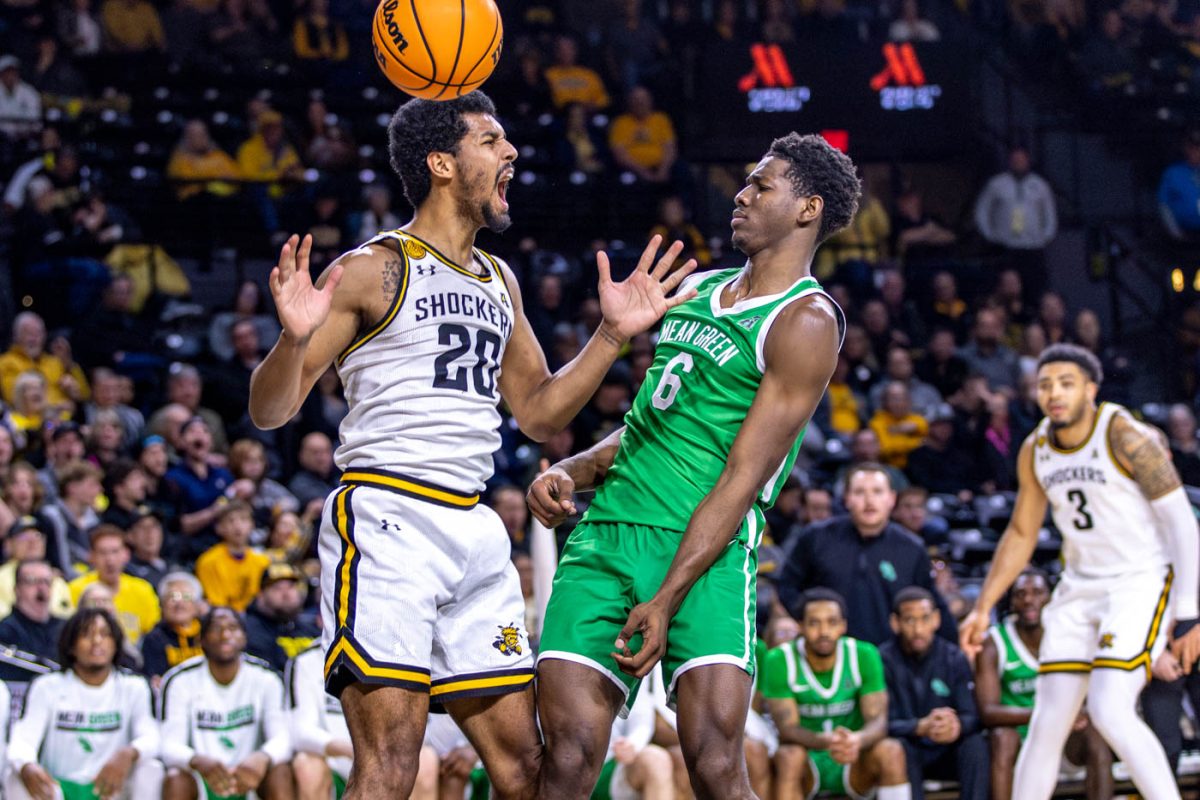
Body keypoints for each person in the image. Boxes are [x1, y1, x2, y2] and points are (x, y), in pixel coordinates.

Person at [247, 90, 695, 799]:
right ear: (441, 163)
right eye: (491, 141)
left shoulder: (499, 279)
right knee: (392, 766)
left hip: (476, 527)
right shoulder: (374, 268)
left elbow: (541, 413)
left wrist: (610, 338)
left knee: (526, 770)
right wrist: (292, 339)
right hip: (389, 516)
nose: (510, 151)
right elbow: (272, 410)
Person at [528, 132, 857, 799]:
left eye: (761, 184)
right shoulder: (698, 289)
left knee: (712, 763)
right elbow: (645, 427)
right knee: (566, 756)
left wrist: (667, 596)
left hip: (705, 554)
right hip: (608, 536)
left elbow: (743, 476)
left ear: (807, 209)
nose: (741, 194)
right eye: (746, 181)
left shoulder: (806, 320)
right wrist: (570, 470)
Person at [960, 343, 1200, 800]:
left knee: (1110, 710)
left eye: (1066, 383)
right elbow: (1020, 533)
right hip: (1078, 587)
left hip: (1138, 581)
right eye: (1046, 384)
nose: (1054, 393)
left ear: (1090, 389)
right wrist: (982, 607)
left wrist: (1187, 613)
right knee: (1047, 721)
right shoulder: (1035, 449)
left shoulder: (1126, 436)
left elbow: (1182, 522)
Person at [777, 465, 957, 646]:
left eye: (877, 492)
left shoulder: (912, 548)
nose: (869, 500)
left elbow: (932, 603)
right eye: (860, 492)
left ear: (891, 499)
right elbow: (787, 586)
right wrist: (808, 621)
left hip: (890, 660)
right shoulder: (815, 537)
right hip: (828, 653)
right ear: (847, 499)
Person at [975, 568, 1112, 800]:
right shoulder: (994, 643)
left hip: (1064, 741)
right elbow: (988, 712)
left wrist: (1075, 715)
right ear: (1012, 601)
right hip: (1020, 742)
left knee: (1096, 734)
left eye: (1037, 592)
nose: (1029, 599)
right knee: (1002, 737)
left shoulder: (1069, 636)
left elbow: (1091, 693)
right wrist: (1048, 714)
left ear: (1051, 597)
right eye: (1021, 594)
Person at [762, 589, 912, 800]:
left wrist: (856, 740)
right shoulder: (778, 659)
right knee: (788, 756)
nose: (824, 631)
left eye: (832, 622)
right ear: (801, 626)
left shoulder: (864, 654)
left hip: (853, 757)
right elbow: (787, 729)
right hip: (808, 760)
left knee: (891, 750)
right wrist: (828, 741)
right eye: (814, 623)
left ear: (843, 625)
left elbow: (878, 722)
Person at [6, 607, 162, 800]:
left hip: (112, 789)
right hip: (58, 789)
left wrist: (129, 753)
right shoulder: (47, 686)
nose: (97, 641)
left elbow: (151, 736)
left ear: (115, 644)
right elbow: (23, 739)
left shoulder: (134, 686)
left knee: (151, 769)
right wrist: (26, 765)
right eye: (86, 634)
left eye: (105, 634)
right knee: (16, 774)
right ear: (71, 645)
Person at [160, 607, 293, 800]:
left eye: (233, 627)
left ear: (245, 637)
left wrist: (262, 758)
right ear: (202, 640)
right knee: (175, 777)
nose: (225, 634)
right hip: (202, 776)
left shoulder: (266, 678)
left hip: (250, 775)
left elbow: (283, 738)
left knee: (280, 771)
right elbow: (169, 745)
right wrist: (196, 761)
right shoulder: (179, 680)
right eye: (216, 628)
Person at [882, 587, 987, 800]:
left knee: (975, 744)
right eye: (910, 620)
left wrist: (954, 726)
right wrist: (920, 727)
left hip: (945, 752)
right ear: (896, 623)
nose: (918, 629)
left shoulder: (953, 657)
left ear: (936, 619)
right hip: (907, 754)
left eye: (924, 619)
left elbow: (972, 716)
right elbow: (881, 723)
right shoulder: (881, 659)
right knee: (898, 747)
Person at [67, 525, 160, 646]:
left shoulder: (143, 589)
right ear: (91, 557)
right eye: (103, 553)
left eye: (115, 552)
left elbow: (154, 634)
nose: (110, 560)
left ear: (126, 554)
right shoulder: (76, 589)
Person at [287, 642, 356, 800]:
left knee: (424, 762)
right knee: (307, 765)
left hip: (385, 762)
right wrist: (351, 751)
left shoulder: (392, 652)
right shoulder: (306, 660)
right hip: (335, 766)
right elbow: (300, 732)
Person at [194, 501, 271, 613]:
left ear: (252, 525)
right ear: (219, 528)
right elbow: (216, 603)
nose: (237, 526)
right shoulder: (208, 561)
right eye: (231, 521)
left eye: (243, 519)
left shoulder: (262, 561)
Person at [244, 561, 319, 672]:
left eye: (291, 586)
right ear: (261, 595)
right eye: (277, 587)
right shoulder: (248, 631)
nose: (286, 593)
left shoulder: (311, 628)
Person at [0, 516, 74, 620]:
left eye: (37, 536)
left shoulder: (57, 580)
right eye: (24, 537)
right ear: (9, 544)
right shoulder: (1, 577)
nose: (32, 541)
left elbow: (68, 615)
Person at [140, 571, 204, 685]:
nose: (179, 603)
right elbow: (156, 680)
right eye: (172, 597)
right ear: (162, 605)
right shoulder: (153, 639)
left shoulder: (208, 635)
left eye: (186, 596)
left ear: (197, 605)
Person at [0, 558, 67, 660]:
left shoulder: (64, 628)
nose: (41, 588)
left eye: (46, 581)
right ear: (17, 589)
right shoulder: (5, 631)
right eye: (32, 581)